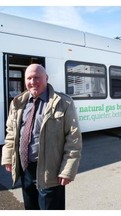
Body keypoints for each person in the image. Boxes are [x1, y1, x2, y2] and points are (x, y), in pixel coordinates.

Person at [1, 64, 82, 210]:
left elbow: (73, 138)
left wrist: (67, 170)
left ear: (46, 78)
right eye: (29, 78)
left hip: (51, 172)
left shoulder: (64, 102)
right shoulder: (18, 103)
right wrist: (8, 157)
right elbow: (11, 133)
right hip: (25, 169)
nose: (33, 82)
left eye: (37, 77)